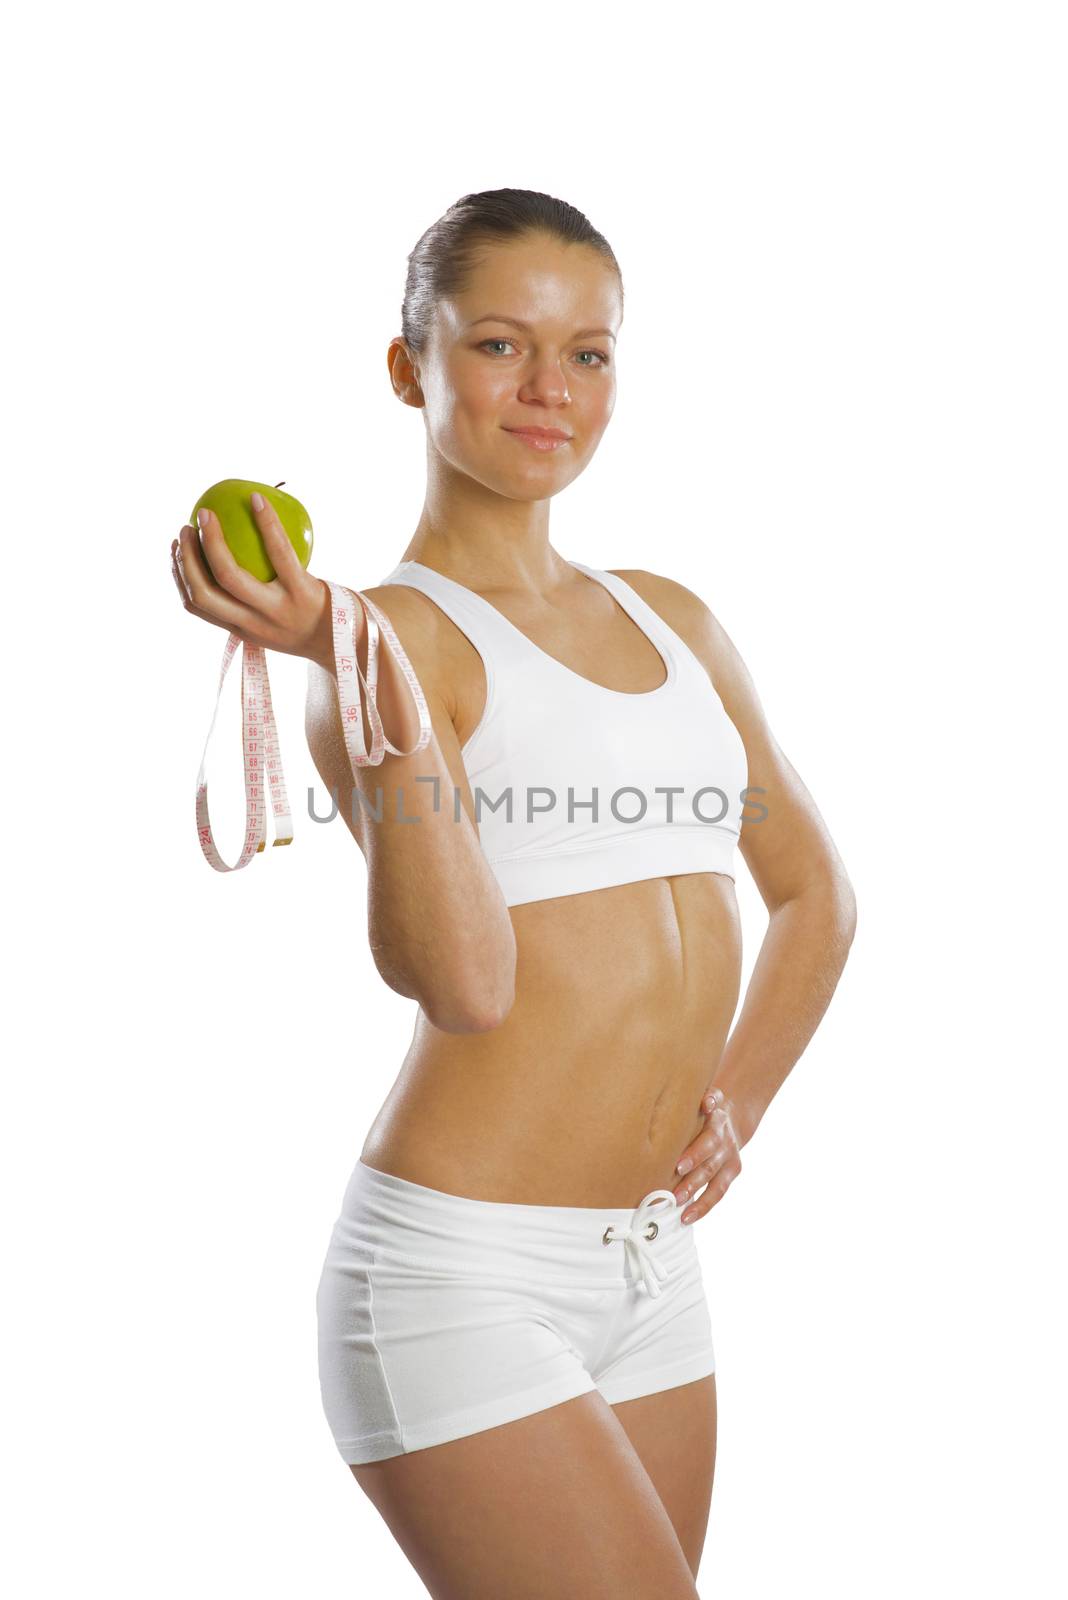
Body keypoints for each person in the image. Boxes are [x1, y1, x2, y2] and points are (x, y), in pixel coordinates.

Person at [171, 187, 857, 1600]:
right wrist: (369, 685)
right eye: (499, 345)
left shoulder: (677, 616)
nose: (550, 390)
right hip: (457, 1281)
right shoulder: (390, 644)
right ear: (408, 366)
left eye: (589, 353)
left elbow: (814, 896)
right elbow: (469, 984)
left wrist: (740, 1101)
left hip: (651, 1274)